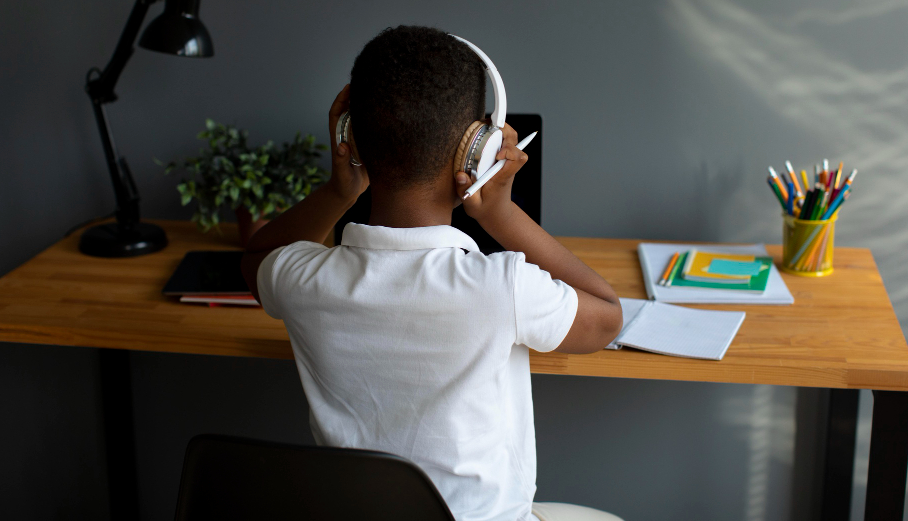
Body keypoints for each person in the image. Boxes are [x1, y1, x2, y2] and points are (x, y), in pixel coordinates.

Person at [242, 26, 624, 521]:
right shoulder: (501, 288)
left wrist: (340, 190)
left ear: (350, 138)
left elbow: (256, 258)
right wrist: (499, 214)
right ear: (478, 151)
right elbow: (609, 317)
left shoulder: (301, 279)